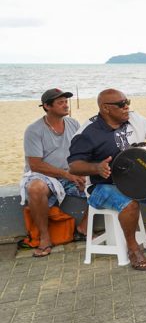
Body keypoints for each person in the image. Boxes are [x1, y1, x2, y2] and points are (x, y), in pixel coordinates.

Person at [68, 89, 146, 271]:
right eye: (121, 105)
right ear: (106, 108)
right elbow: (74, 165)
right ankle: (133, 249)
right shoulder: (88, 133)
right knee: (129, 203)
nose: (127, 107)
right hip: (101, 187)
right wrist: (96, 168)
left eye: (127, 102)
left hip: (136, 182)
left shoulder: (134, 118)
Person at [20, 88, 88, 257]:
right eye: (60, 102)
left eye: (66, 101)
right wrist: (67, 175)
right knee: (35, 188)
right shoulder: (34, 130)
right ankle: (45, 238)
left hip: (70, 172)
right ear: (47, 106)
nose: (66, 105)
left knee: (101, 182)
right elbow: (35, 165)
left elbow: (80, 152)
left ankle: (84, 228)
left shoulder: (73, 123)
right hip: (44, 174)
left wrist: (81, 171)